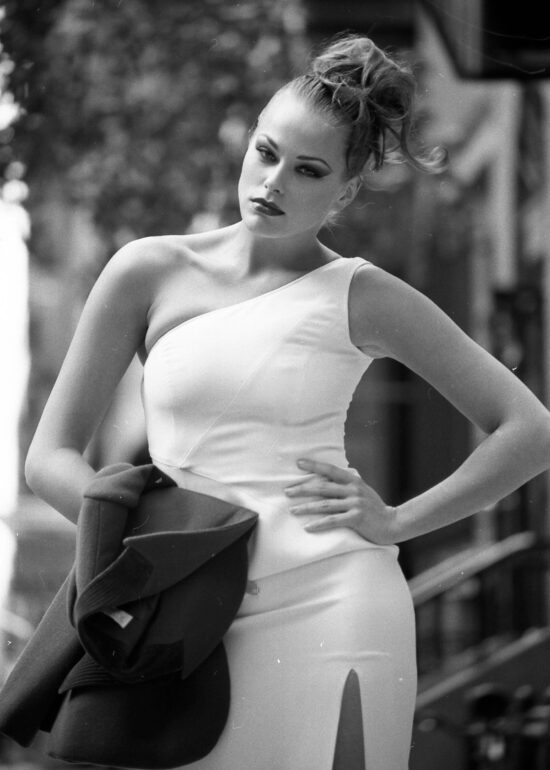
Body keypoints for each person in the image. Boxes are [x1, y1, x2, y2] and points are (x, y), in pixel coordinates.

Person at [24, 32, 550, 770]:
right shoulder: (146, 270)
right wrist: (147, 545)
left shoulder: (363, 294)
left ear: (346, 190)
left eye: (308, 170)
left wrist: (398, 521)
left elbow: (530, 430)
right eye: (266, 152)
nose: (273, 182)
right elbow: (49, 458)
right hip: (180, 607)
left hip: (332, 599)